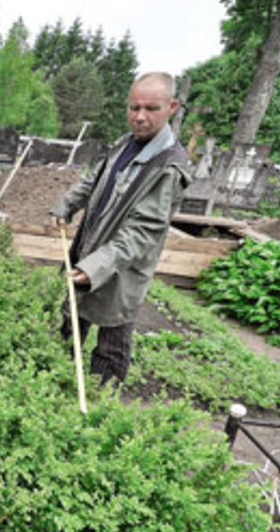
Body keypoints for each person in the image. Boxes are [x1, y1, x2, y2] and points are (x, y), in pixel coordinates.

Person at [51, 72, 191, 385]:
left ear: (172, 107)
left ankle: (102, 409)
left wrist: (96, 266)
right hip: (89, 252)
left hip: (121, 269)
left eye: (151, 108)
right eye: (134, 107)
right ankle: (54, 391)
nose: (140, 117)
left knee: (111, 346)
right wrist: (67, 204)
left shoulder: (168, 168)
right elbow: (95, 181)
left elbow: (142, 232)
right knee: (67, 326)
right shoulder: (125, 144)